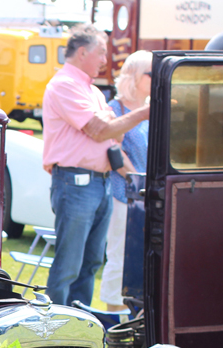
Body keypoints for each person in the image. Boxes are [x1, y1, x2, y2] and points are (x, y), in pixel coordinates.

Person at [41, 23, 149, 307]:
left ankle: (79, 324)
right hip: (75, 182)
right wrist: (143, 113)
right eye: (101, 53)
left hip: (99, 182)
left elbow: (113, 134)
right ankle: (55, 328)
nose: (105, 60)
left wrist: (114, 126)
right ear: (82, 52)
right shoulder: (65, 85)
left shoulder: (93, 91)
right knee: (70, 264)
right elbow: (101, 130)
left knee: (89, 262)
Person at [99, 50, 151, 312]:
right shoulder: (115, 109)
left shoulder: (153, 109)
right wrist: (136, 180)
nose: (157, 78)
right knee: (119, 256)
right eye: (151, 73)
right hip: (124, 196)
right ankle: (113, 319)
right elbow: (114, 152)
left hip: (147, 196)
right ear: (135, 77)